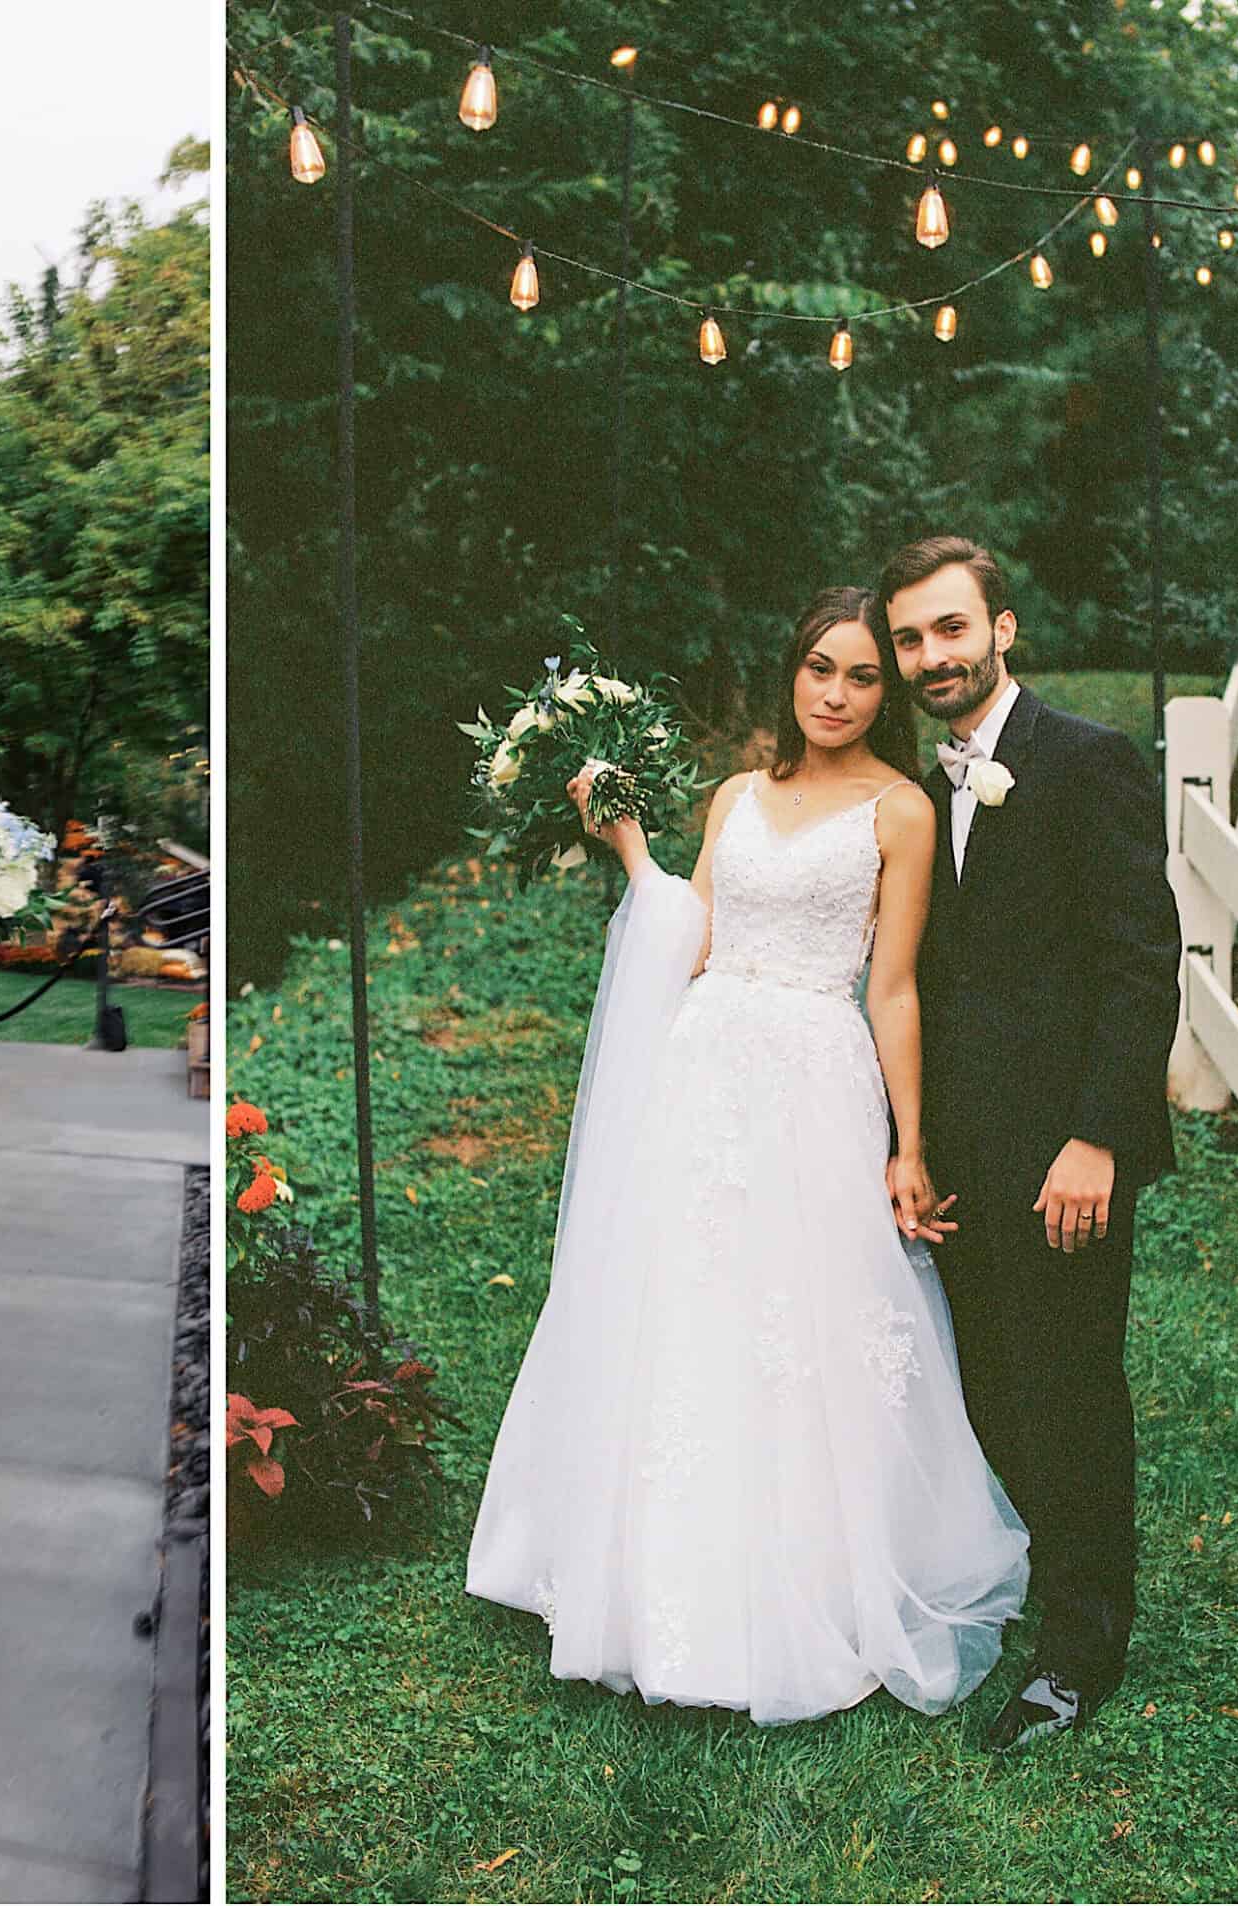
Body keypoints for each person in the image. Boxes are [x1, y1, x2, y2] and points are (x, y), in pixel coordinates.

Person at [466, 586, 1029, 1726]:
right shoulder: (736, 795)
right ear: (791, 671)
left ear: (885, 693)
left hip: (816, 1074)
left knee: (800, 1319)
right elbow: (698, 937)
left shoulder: (900, 810)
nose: (835, 693)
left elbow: (894, 982)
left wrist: (907, 1143)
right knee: (686, 1305)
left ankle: (806, 1573)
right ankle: (648, 1570)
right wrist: (628, 844)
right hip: (707, 1063)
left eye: (863, 676)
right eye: (819, 668)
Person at [881, 535, 1180, 1752]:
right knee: (986, 1382)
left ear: (1003, 628)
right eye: (909, 637)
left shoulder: (1090, 762)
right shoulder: (919, 779)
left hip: (1063, 1155)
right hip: (955, 1148)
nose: (929, 656)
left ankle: (1078, 1650)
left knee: (1069, 1392)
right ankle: (1013, 1578)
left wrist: (1097, 1138)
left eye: (950, 628)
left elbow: (1139, 961)